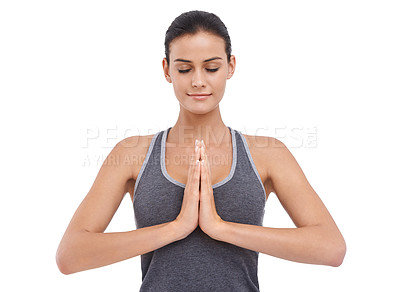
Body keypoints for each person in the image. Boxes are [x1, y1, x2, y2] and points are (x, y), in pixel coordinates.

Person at [56, 10, 346, 291]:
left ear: (231, 66)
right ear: (167, 70)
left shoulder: (268, 154)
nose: (198, 81)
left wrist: (220, 228)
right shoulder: (132, 153)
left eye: (211, 68)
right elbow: (70, 255)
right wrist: (176, 228)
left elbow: (331, 247)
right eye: (184, 68)